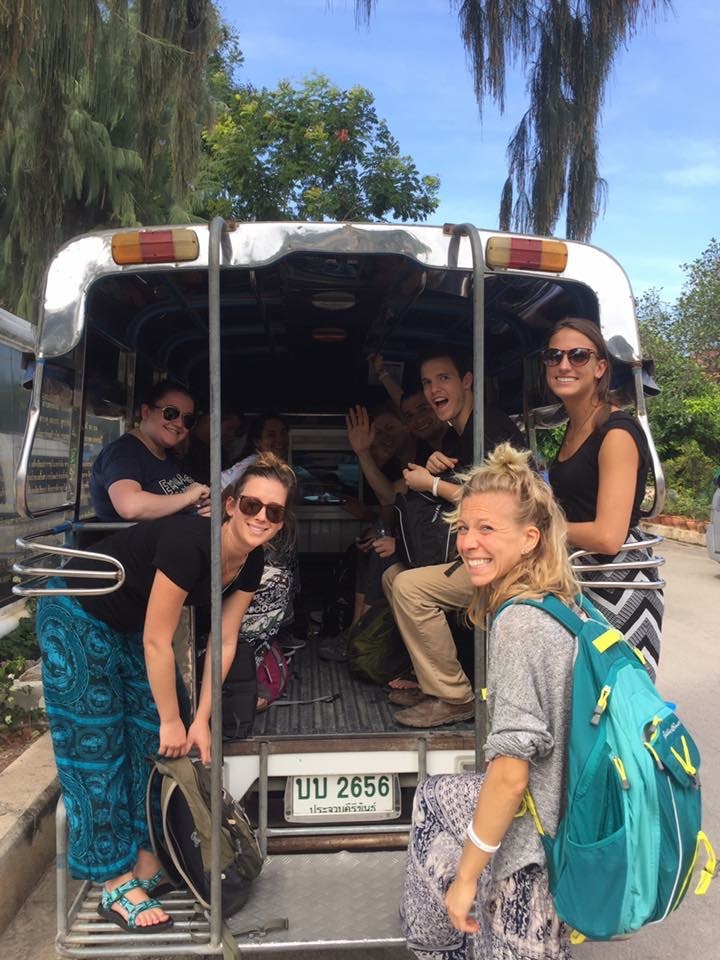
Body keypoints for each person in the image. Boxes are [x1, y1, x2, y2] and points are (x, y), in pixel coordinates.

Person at [35, 454, 295, 933]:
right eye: (252, 505)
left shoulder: (252, 559)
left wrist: (200, 721)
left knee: (149, 744)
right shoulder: (190, 542)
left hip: (127, 627)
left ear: (281, 521)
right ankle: (114, 881)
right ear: (230, 504)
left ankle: (145, 858)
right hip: (76, 612)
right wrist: (173, 720)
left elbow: (225, 640)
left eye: (273, 511)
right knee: (96, 747)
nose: (261, 517)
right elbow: (159, 641)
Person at [401, 443, 577, 960]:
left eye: (486, 529)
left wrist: (466, 878)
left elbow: (510, 777)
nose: (468, 543)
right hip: (562, 815)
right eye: (463, 528)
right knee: (435, 795)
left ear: (529, 539)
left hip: (534, 850)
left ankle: (436, 940)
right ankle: (437, 941)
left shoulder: (519, 625)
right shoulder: (561, 602)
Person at [382, 347, 526, 719]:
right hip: (476, 555)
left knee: (409, 587)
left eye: (443, 378)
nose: (434, 390)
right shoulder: (457, 436)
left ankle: (455, 697)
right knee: (393, 575)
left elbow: (501, 504)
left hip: (508, 565)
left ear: (467, 380)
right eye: (427, 382)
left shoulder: (489, 427)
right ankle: (429, 677)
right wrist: (436, 467)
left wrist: (432, 484)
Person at [543, 317, 663, 678]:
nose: (564, 365)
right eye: (554, 356)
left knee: (617, 699)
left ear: (600, 367)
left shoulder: (617, 432)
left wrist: (538, 528)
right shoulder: (575, 427)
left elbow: (608, 536)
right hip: (580, 578)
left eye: (578, 355)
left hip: (617, 584)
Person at [89, 380, 210, 521]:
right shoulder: (123, 453)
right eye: (170, 413)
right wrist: (187, 498)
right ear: (146, 412)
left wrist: (202, 506)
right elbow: (130, 506)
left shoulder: (170, 456)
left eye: (188, 419)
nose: (179, 424)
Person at [182, 409, 244, 485]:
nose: (232, 434)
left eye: (235, 431)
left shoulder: (221, 455)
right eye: (229, 428)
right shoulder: (182, 443)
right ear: (212, 420)